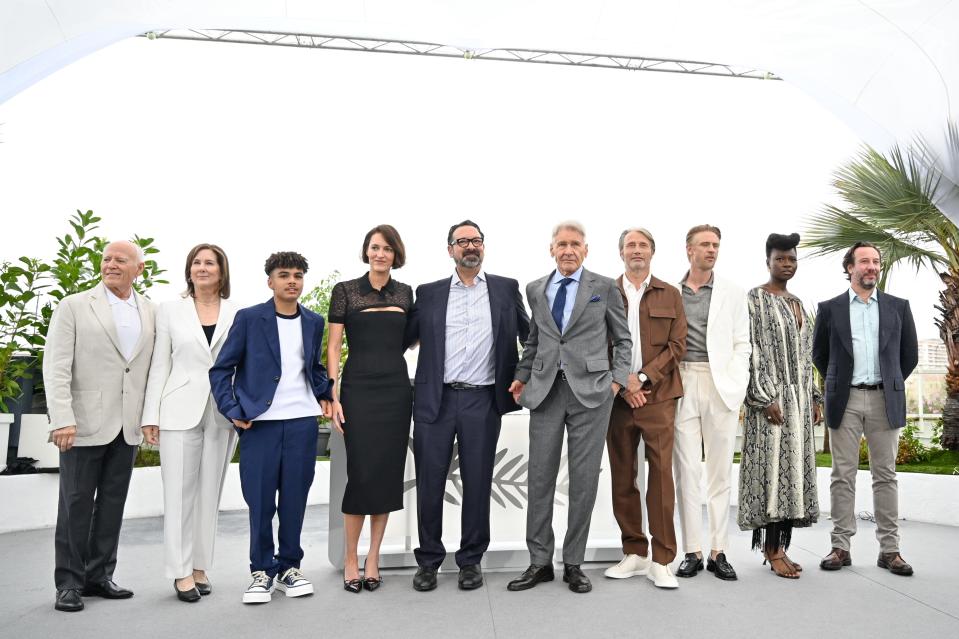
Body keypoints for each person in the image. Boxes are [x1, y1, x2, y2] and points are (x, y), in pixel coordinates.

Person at [506, 221, 631, 594]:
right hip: (544, 392)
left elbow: (623, 339)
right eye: (561, 243)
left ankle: (573, 563)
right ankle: (539, 562)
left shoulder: (604, 287)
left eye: (575, 244)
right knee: (540, 479)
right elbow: (534, 340)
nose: (568, 249)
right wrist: (522, 374)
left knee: (584, 482)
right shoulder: (535, 289)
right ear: (551, 249)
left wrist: (616, 381)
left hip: (592, 394)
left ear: (586, 250)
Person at [405, 220, 530, 592]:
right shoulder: (427, 293)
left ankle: (470, 560)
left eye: (476, 240)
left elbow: (530, 336)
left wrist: (524, 375)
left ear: (484, 247)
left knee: (478, 482)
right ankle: (428, 560)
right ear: (450, 250)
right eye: (462, 242)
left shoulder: (506, 289)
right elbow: (402, 339)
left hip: (482, 399)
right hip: (435, 400)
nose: (469, 246)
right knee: (430, 482)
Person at [209, 251, 333, 604]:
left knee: (294, 500)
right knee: (260, 502)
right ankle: (261, 571)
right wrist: (232, 409)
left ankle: (290, 567)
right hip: (259, 424)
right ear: (270, 281)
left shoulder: (313, 321)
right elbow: (221, 370)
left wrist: (326, 392)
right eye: (284, 275)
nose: (292, 280)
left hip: (301, 423)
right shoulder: (249, 319)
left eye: (297, 275)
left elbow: (313, 367)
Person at [44, 240, 156, 612]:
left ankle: (99, 575)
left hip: (127, 426)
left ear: (138, 269)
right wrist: (62, 418)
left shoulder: (151, 311)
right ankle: (69, 583)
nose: (110, 264)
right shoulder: (74, 305)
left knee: (112, 504)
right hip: (82, 423)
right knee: (75, 505)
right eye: (106, 259)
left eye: (120, 260)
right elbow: (56, 366)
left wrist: (148, 417)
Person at [813, 241, 918, 576]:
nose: (871, 267)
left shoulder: (897, 307)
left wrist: (890, 381)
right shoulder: (829, 308)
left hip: (885, 399)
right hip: (845, 398)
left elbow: (908, 355)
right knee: (842, 475)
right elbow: (820, 354)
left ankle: (890, 550)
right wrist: (838, 381)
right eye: (864, 261)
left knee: (885, 476)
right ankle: (840, 547)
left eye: (876, 261)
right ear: (850, 268)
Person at [141, 244, 238, 601]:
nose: (202, 268)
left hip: (222, 412)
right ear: (189, 270)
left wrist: (242, 409)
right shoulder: (169, 311)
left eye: (209, 263)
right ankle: (180, 572)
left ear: (221, 271)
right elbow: (159, 365)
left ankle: (200, 566)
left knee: (209, 495)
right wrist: (150, 415)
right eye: (196, 263)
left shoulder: (237, 312)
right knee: (179, 494)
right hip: (177, 409)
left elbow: (242, 364)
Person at [326, 225, 414, 593]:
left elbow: (411, 340)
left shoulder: (406, 293)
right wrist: (333, 395)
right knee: (361, 474)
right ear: (366, 252)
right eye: (375, 247)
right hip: (358, 390)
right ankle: (350, 558)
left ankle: (374, 558)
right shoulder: (345, 291)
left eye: (387, 249)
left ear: (396, 254)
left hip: (396, 390)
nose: (381, 254)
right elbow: (332, 347)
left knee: (386, 475)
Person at [604, 228, 687, 589]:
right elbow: (595, 344)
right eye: (630, 245)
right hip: (617, 399)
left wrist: (642, 378)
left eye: (642, 245)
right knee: (623, 476)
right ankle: (634, 553)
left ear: (652, 252)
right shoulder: (603, 292)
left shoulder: (671, 293)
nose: (636, 250)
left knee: (661, 476)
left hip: (659, 397)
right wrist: (624, 384)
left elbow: (678, 345)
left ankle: (663, 559)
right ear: (620, 252)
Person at [738, 233, 820, 579]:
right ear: (768, 261)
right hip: (771, 401)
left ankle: (781, 547)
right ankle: (771, 550)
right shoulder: (755, 299)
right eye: (780, 259)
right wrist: (762, 397)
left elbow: (806, 357)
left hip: (799, 402)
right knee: (772, 474)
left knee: (792, 475)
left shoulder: (800, 302)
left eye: (792, 259)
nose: (787, 264)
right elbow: (751, 350)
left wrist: (814, 397)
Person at [673, 224, 751, 582]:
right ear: (689, 250)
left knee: (719, 472)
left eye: (716, 245)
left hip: (721, 386)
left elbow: (742, 343)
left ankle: (719, 551)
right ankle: (692, 550)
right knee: (686, 470)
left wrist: (735, 384)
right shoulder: (671, 292)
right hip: (682, 382)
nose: (711, 250)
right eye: (704, 244)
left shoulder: (734, 292)